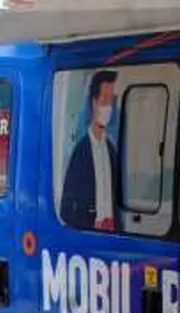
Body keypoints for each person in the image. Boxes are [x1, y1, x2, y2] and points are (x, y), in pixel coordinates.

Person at [60, 69, 121, 232]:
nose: (108, 107)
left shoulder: (111, 150)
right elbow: (65, 210)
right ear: (94, 103)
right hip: (91, 237)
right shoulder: (81, 151)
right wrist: (88, 223)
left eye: (111, 102)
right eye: (104, 100)